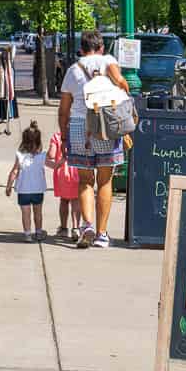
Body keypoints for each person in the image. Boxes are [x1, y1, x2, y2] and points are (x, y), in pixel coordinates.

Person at [58, 28, 127, 248]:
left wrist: (64, 135)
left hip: (79, 125)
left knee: (85, 180)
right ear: (101, 47)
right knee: (105, 180)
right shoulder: (108, 61)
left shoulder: (72, 70)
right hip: (105, 124)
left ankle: (86, 224)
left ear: (81, 49)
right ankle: (102, 234)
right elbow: (122, 83)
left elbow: (64, 109)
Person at [5, 122, 48, 240]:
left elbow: (14, 172)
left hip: (23, 190)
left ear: (23, 141)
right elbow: (53, 165)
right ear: (39, 142)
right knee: (38, 213)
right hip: (38, 190)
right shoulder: (42, 156)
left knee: (25, 213)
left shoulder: (20, 155)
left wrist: (8, 187)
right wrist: (62, 161)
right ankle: (39, 232)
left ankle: (28, 234)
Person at [46, 125, 81, 240]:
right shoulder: (79, 136)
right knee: (76, 201)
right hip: (76, 170)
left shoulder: (57, 137)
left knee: (64, 201)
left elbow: (51, 155)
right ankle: (76, 228)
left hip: (62, 172)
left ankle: (63, 228)